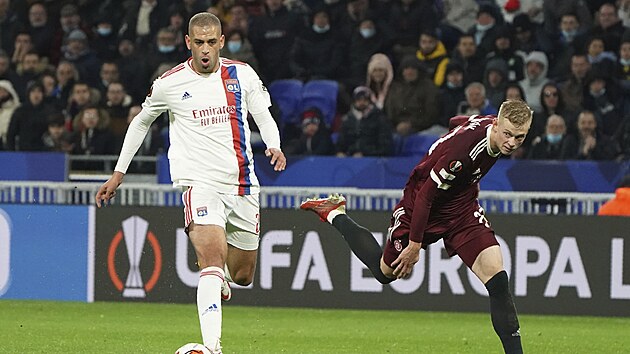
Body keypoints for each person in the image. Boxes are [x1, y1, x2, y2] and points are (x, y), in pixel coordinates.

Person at [94, 13, 286, 354]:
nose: (206, 50)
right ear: (188, 43)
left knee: (243, 275)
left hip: (242, 185)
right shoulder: (169, 83)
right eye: (199, 42)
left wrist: (274, 144)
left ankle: (222, 281)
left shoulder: (242, 74)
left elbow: (263, 115)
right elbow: (141, 122)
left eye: (212, 42)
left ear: (222, 42)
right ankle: (212, 348)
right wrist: (119, 172)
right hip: (199, 184)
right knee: (211, 257)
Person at [301, 99, 533, 354]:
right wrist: (414, 245)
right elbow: (425, 196)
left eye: (519, 137)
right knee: (384, 273)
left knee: (497, 279)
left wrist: (451, 137)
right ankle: (335, 213)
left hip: (461, 209)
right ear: (497, 124)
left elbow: (459, 122)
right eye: (508, 134)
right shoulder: (463, 154)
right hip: (421, 206)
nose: (511, 142)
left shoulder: (493, 125)